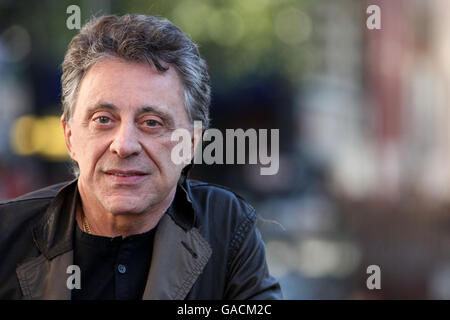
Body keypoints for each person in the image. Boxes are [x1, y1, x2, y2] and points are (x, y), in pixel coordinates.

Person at [0, 14, 282, 300]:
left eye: (151, 123)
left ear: (192, 143)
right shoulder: (7, 236)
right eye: (103, 119)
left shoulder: (227, 228)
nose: (124, 146)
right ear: (70, 136)